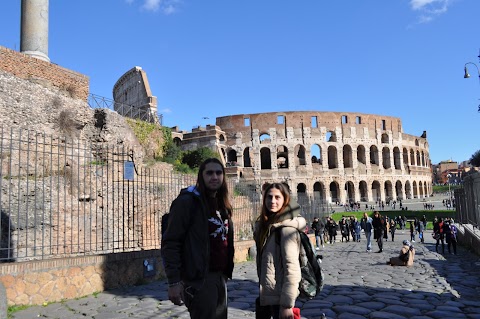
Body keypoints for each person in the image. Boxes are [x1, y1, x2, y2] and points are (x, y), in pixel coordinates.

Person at [161, 158, 234, 319]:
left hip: (219, 277)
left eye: (218, 173)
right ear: (201, 176)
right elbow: (171, 242)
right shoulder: (187, 202)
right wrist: (174, 281)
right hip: (199, 279)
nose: (214, 177)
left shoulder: (223, 206)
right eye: (209, 173)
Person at [254, 182, 306, 319]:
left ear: (285, 200)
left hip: (280, 300)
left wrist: (287, 305)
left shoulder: (286, 229)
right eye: (269, 197)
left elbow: (292, 270)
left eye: (277, 197)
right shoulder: (268, 226)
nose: (272, 201)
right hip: (268, 296)